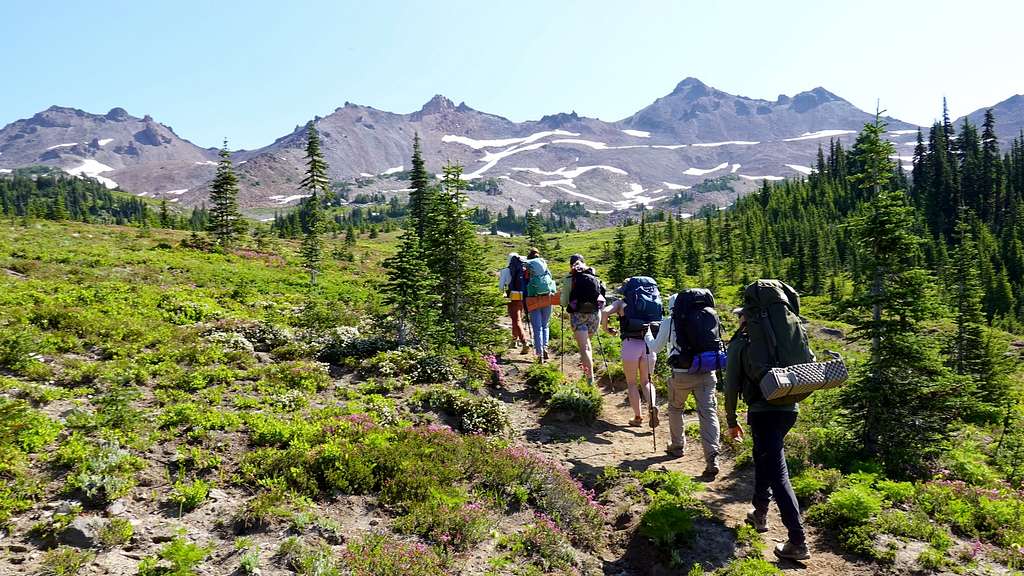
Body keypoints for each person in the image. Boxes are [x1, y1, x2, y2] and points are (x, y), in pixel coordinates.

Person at [725, 307, 809, 561]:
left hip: (763, 412)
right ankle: (759, 512)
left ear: (745, 319)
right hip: (789, 410)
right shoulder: (781, 338)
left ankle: (798, 541)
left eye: (740, 315)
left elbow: (731, 386)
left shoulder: (742, 343)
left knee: (777, 471)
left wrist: (731, 420)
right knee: (764, 457)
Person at [648, 291, 721, 477]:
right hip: (707, 371)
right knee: (708, 413)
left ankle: (677, 446)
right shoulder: (708, 315)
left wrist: (648, 333)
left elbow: (655, 347)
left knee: (675, 408)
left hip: (681, 374)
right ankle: (712, 456)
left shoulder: (670, 321)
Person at [602, 277, 661, 427]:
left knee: (632, 383)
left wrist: (606, 329)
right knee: (647, 381)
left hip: (630, 345)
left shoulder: (621, 304)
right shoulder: (651, 301)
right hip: (649, 344)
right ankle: (652, 405)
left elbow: (604, 312)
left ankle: (638, 417)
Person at [560, 254, 606, 385]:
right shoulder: (594, 277)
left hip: (578, 315)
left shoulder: (569, 279)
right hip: (594, 314)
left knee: (584, 348)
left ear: (571, 265)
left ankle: (589, 379)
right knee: (587, 345)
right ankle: (588, 372)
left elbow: (564, 302)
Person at [524, 248, 556, 363]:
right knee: (545, 325)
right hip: (547, 297)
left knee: (537, 328)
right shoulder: (544, 265)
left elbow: (524, 284)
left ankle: (539, 354)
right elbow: (551, 281)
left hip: (533, 298)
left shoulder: (527, 267)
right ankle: (545, 347)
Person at [498, 253, 530, 354]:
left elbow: (500, 287)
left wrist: (503, 294)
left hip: (512, 297)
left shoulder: (505, 271)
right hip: (523, 296)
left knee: (517, 320)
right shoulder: (522, 269)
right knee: (516, 319)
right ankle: (514, 340)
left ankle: (524, 342)